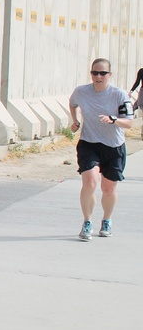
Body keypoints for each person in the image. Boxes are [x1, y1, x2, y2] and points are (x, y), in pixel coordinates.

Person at [68, 58, 132, 241]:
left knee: (108, 189)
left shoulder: (119, 95)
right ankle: (87, 221)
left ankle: (107, 219)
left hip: (114, 147)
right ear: (91, 74)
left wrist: (113, 120)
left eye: (102, 73)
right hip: (89, 143)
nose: (98, 76)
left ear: (109, 75)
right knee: (90, 182)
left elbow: (129, 122)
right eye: (95, 73)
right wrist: (75, 121)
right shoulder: (81, 92)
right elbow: (72, 104)